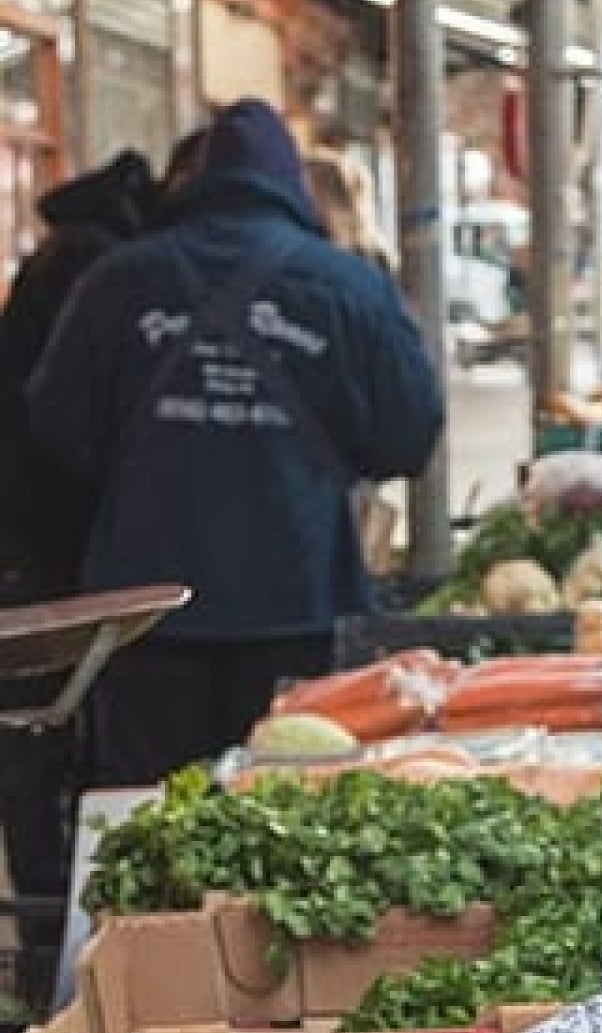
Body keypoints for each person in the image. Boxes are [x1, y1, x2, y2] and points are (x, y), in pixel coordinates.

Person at [28, 98, 445, 786]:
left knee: (142, 821)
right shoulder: (351, 288)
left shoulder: (118, 282)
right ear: (293, 186)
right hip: (300, 604)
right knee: (292, 814)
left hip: (143, 621)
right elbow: (408, 437)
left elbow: (58, 432)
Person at [0, 147, 160, 901]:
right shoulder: (100, 270)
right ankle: (49, 910)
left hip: (29, 531)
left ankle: (42, 903)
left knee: (37, 731)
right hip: (52, 538)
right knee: (44, 727)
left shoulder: (62, 258)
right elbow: (61, 422)